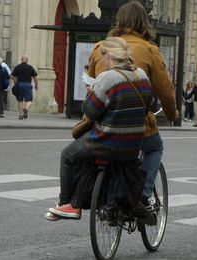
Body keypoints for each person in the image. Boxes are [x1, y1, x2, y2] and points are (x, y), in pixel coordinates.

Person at [45, 37, 153, 221]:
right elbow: (148, 103)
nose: (102, 61)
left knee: (67, 155)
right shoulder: (142, 76)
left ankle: (67, 204)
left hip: (107, 142)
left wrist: (91, 93)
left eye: (103, 57)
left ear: (108, 56)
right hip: (133, 145)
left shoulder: (107, 78)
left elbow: (90, 111)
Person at [86, 0, 179, 212]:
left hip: (103, 125)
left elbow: (91, 84)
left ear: (118, 20)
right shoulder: (149, 50)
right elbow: (165, 91)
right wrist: (173, 114)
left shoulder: (101, 47)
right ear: (143, 23)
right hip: (136, 124)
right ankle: (143, 196)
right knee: (155, 147)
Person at [11, 54, 38, 120]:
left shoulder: (18, 67)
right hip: (28, 85)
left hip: (20, 85)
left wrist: (15, 83)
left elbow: (12, 76)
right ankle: (26, 108)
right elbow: (35, 77)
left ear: (21, 59)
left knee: (20, 100)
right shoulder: (30, 67)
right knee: (29, 100)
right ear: (27, 60)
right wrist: (36, 84)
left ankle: (21, 115)